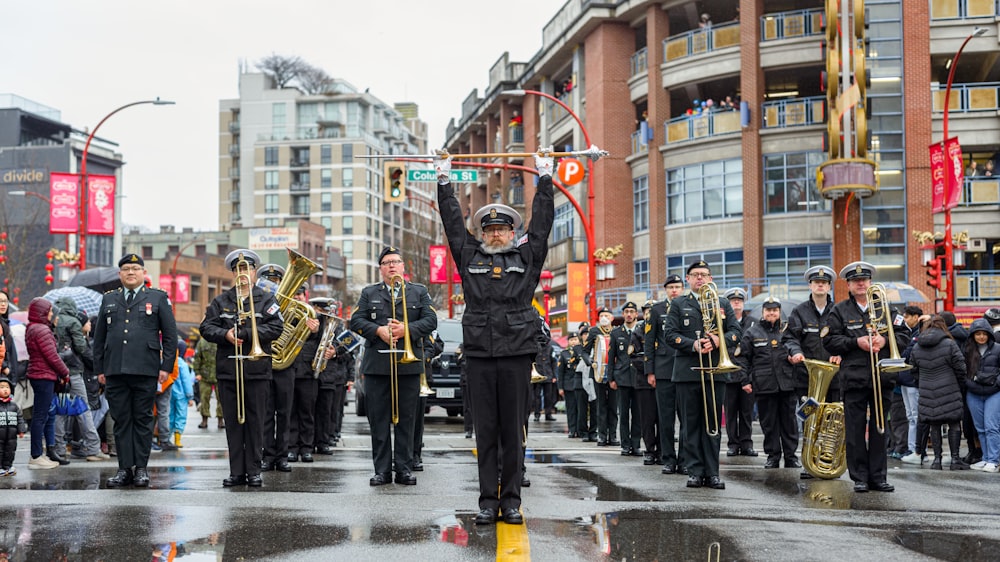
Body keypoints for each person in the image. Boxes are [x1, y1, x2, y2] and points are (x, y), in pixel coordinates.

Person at [434, 148, 554, 526]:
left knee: (513, 433)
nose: (496, 233)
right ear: (482, 233)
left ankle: (512, 501)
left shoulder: (526, 257)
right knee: (486, 432)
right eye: (490, 229)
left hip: (517, 352)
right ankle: (488, 501)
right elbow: (453, 224)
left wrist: (545, 177)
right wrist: (443, 180)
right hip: (481, 353)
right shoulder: (470, 255)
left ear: (512, 233)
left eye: (502, 229)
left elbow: (543, 224)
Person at [349, 246, 437, 488]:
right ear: (380, 268)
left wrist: (405, 330)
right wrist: (378, 330)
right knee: (378, 421)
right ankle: (382, 471)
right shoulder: (369, 293)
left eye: (396, 261)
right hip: (377, 366)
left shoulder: (418, 292)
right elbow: (355, 321)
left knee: (406, 421)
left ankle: (404, 469)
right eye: (387, 262)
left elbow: (431, 320)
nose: (391, 265)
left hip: (408, 366)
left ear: (403, 266)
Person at [821, 261, 909, 493]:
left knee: (881, 429)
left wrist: (886, 340)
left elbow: (905, 336)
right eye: (855, 281)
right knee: (855, 429)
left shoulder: (887, 308)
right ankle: (859, 476)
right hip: (854, 377)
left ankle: (878, 477)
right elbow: (829, 341)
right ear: (849, 285)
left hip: (882, 377)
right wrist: (855, 342)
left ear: (870, 283)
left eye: (864, 280)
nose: (861, 283)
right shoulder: (839, 310)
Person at [200, 249, 284, 487]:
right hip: (229, 370)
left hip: (257, 370)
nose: (242, 273)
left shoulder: (267, 299)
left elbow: (276, 327)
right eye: (238, 270)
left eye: (246, 269)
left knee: (256, 422)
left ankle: (254, 470)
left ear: (254, 271)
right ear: (233, 273)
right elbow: (206, 327)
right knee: (233, 423)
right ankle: (237, 471)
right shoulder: (221, 300)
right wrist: (225, 334)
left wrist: (246, 334)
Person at [93, 254, 178, 488]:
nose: (131, 272)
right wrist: (99, 368)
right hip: (115, 369)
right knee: (121, 420)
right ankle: (124, 469)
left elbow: (170, 337)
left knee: (142, 419)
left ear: (143, 273)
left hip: (146, 369)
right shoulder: (109, 299)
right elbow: (99, 338)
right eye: (126, 269)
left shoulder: (158, 298)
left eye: (135, 268)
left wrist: (165, 368)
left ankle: (141, 468)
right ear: (120, 274)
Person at [665, 261, 741, 490]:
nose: (700, 278)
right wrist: (694, 345)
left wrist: (719, 341)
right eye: (695, 275)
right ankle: (695, 472)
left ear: (710, 278)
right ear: (688, 279)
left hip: (715, 371)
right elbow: (670, 335)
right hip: (688, 372)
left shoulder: (723, 302)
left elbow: (736, 332)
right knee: (690, 425)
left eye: (704, 275)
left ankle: (712, 473)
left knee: (713, 424)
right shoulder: (678, 303)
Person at [783, 265, 841, 475]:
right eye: (817, 282)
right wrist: (796, 352)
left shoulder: (838, 311)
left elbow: (844, 339)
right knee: (809, 419)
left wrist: (841, 353)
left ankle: (829, 461)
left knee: (831, 421)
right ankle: (809, 462)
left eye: (824, 283)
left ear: (828, 286)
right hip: (805, 378)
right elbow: (789, 337)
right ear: (810, 285)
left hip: (834, 378)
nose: (820, 285)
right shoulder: (799, 311)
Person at [736, 297, 799, 469]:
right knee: (769, 423)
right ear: (763, 313)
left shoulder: (787, 331)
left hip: (787, 383)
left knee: (789, 423)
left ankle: (791, 456)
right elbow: (743, 359)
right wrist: (745, 380)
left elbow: (796, 349)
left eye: (775, 310)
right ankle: (772, 456)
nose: (772, 313)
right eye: (768, 310)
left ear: (779, 312)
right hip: (764, 384)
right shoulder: (752, 332)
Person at [909, 315, 969, 470]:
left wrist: (923, 383)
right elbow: (961, 367)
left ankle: (937, 460)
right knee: (954, 423)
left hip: (927, 390)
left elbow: (913, 370)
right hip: (950, 388)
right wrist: (959, 383)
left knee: (934, 424)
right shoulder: (949, 344)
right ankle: (955, 459)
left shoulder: (917, 346)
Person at [53, 296, 106, 462]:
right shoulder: (74, 322)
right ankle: (93, 448)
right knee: (83, 408)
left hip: (57, 371)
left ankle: (59, 449)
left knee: (60, 411)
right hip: (74, 370)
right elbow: (81, 348)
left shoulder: (53, 320)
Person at [645, 275, 686, 474]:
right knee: (665, 418)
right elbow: (649, 341)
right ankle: (668, 458)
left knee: (686, 418)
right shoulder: (657, 310)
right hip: (663, 370)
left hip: (685, 368)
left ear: (682, 288)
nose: (674, 290)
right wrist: (650, 371)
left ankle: (686, 459)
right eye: (670, 287)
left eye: (678, 287)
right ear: (665, 290)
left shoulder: (690, 306)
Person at [26, 297, 69, 470]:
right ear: (42, 312)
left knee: (42, 415)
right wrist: (65, 372)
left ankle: (40, 454)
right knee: (40, 416)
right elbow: (52, 356)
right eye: (49, 311)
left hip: (39, 375)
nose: (51, 314)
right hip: (44, 376)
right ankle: (36, 456)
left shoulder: (33, 328)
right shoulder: (42, 329)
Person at [288, 286, 322, 464]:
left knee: (307, 412)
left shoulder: (315, 316)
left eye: (300, 294)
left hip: (308, 371)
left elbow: (324, 340)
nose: (297, 297)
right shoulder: (286, 313)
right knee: (290, 412)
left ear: (305, 296)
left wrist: (315, 330)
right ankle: (292, 448)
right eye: (294, 295)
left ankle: (307, 448)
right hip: (289, 369)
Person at [722, 287, 756, 458]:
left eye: (740, 300)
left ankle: (746, 443)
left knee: (746, 412)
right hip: (728, 375)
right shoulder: (722, 323)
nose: (737, 303)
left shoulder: (753, 322)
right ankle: (733, 444)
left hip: (748, 375)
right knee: (730, 412)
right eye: (733, 301)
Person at [964, 318, 1000, 472]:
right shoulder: (967, 350)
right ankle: (985, 458)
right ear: (972, 335)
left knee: (992, 426)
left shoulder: (998, 348)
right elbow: (962, 372)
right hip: (973, 393)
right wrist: (970, 384)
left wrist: (996, 383)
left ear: (989, 334)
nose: (981, 337)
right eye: (977, 334)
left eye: (984, 334)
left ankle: (994, 460)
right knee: (980, 428)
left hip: (994, 392)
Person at [607, 302, 641, 457]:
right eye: (626, 311)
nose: (629, 314)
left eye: (632, 311)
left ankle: (636, 444)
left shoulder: (641, 331)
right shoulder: (616, 333)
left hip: (638, 378)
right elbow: (611, 357)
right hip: (622, 377)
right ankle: (625, 445)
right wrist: (611, 378)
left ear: (636, 314)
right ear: (623, 314)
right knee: (624, 414)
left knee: (638, 413)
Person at [585, 307, 620, 447]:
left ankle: (613, 436)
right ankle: (602, 436)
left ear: (612, 318)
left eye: (607, 315)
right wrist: (591, 362)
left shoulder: (617, 331)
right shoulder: (594, 331)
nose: (604, 317)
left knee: (613, 405)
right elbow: (584, 351)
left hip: (614, 373)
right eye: (601, 315)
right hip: (597, 372)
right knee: (601, 405)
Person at [557, 333, 585, 438]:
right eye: (571, 340)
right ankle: (572, 429)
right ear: (568, 342)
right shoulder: (564, 354)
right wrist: (560, 387)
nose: (573, 342)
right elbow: (560, 372)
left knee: (580, 409)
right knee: (571, 409)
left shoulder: (582, 351)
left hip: (580, 384)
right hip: (568, 385)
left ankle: (580, 430)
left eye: (575, 339)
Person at [192, 335, 223, 429]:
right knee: (204, 398)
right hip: (204, 376)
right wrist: (197, 372)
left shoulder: (221, 340)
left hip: (220, 374)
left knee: (222, 399)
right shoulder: (202, 342)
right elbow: (197, 358)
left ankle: (220, 420)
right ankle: (204, 420)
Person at [169, 340, 195, 448]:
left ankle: (165, 438)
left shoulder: (170, 361)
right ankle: (177, 439)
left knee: (169, 415)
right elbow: (186, 381)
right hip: (182, 396)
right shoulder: (183, 365)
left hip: (169, 394)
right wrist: (190, 396)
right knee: (180, 416)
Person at [0, 376, 26, 475]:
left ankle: (8, 466)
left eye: (7, 387)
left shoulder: (14, 406)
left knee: (10, 451)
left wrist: (21, 430)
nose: (5, 389)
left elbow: (20, 418)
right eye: (1, 387)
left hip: (11, 436)